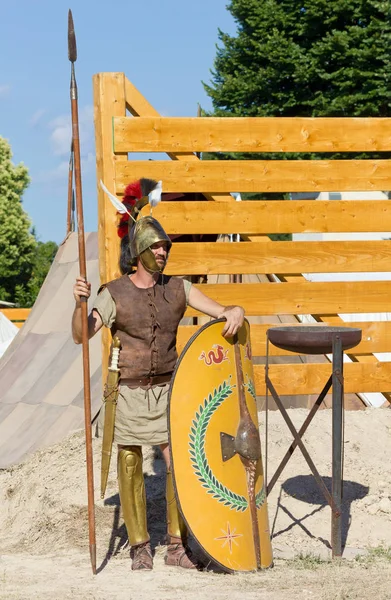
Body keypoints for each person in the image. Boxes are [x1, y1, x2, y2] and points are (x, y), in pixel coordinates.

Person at [72, 178, 244, 571]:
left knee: (178, 462)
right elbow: (83, 333)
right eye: (156, 247)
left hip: (170, 390)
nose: (163, 251)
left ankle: (176, 545)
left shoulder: (179, 289)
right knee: (131, 463)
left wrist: (233, 310)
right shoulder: (112, 293)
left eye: (166, 246)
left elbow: (220, 310)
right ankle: (138, 545)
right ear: (139, 253)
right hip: (129, 392)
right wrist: (79, 305)